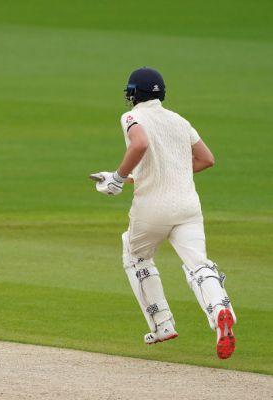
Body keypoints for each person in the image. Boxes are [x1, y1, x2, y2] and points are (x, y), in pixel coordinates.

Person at [91, 67, 236, 359]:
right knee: (199, 264)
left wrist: (118, 179)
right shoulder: (180, 121)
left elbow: (141, 143)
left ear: (133, 94)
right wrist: (137, 177)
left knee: (136, 256)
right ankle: (221, 311)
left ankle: (162, 324)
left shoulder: (132, 116)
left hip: (152, 208)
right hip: (187, 206)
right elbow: (207, 159)